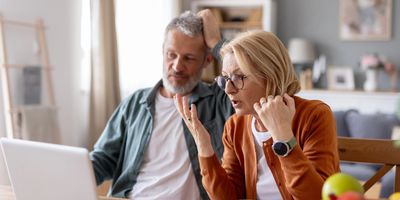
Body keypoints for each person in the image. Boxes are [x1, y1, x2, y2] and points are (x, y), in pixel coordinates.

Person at [175, 30, 340, 200]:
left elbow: (316, 197)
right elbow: (227, 197)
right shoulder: (234, 126)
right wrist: (204, 146)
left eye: (239, 77)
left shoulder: (314, 116)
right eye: (225, 78)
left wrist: (283, 137)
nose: (228, 89)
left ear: (269, 75)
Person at [89, 10, 234, 199]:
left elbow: (253, 72)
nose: (177, 66)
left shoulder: (220, 101)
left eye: (188, 58)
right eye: (171, 55)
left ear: (207, 60)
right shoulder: (135, 103)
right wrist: (65, 175)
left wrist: (216, 43)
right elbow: (102, 160)